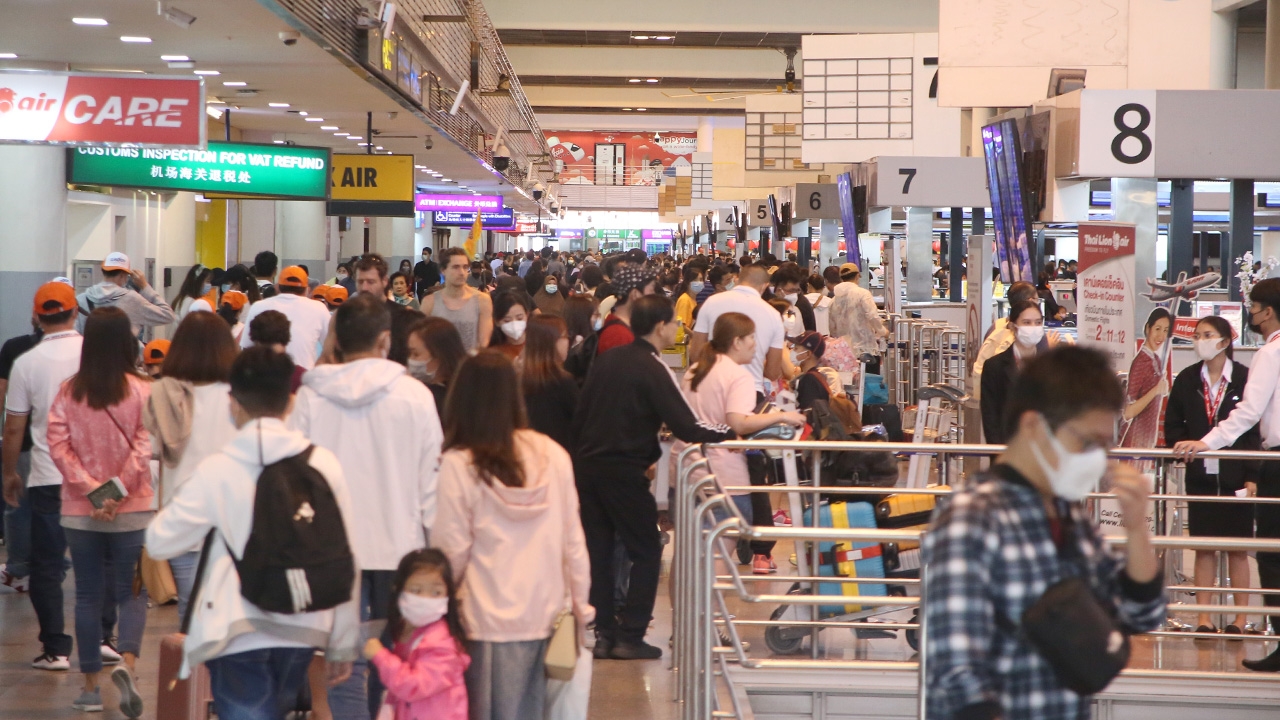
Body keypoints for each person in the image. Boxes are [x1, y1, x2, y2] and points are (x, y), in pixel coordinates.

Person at [924, 346, 1164, 719]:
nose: (1097, 460)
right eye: (1087, 442)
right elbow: (957, 674)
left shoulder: (1067, 514)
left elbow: (1139, 614)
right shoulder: (972, 517)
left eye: (1104, 446)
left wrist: (1136, 529)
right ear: (1034, 426)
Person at [145, 347, 359, 720]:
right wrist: (342, 643)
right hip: (305, 623)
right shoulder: (323, 463)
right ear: (290, 402)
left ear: (233, 402)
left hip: (236, 625)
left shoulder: (219, 469)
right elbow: (345, 555)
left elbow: (161, 540)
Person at [291, 294, 442, 718]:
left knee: (342, 660)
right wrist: (438, 549)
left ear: (336, 342)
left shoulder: (310, 398)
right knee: (396, 654)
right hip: (402, 547)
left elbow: (295, 480)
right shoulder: (415, 397)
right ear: (385, 339)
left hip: (332, 551)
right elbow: (431, 482)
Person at [573, 295, 736, 659]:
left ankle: (604, 635)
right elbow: (686, 425)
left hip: (588, 467)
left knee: (598, 552)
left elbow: (581, 411)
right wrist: (733, 431)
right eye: (675, 323)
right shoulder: (652, 365)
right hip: (624, 469)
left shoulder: (607, 359)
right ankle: (631, 636)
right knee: (646, 549)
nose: (679, 328)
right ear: (661, 326)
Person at [433, 351, 592, 718]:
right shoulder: (553, 455)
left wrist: (436, 609)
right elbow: (574, 543)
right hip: (548, 616)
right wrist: (582, 611)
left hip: (481, 621)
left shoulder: (459, 464)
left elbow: (450, 551)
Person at [45, 308, 152, 717]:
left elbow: (59, 447)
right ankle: (128, 664)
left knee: (87, 596)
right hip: (134, 507)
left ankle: (89, 689)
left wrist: (92, 493)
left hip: (79, 511)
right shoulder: (143, 390)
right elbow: (144, 446)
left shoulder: (69, 391)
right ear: (127, 341)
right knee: (133, 594)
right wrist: (117, 493)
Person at [1174, 278, 1280, 670]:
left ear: (1267, 312)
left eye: (1253, 308)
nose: (1251, 314)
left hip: (1269, 463)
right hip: (1231, 472)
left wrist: (1208, 441)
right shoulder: (1188, 380)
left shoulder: (1269, 354)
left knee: (1269, 556)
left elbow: (1250, 415)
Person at [676, 313, 806, 575]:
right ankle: (708, 613)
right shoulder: (738, 377)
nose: (755, 346)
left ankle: (690, 613)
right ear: (736, 342)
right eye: (751, 339)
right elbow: (739, 422)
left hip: (688, 470)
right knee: (720, 548)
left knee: (693, 551)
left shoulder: (694, 371)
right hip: (725, 477)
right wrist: (781, 416)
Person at [3, 282, 85, 672]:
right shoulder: (95, 355)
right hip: (95, 481)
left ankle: (56, 648)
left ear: (37, 316)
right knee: (99, 559)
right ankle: (105, 639)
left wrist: (7, 473)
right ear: (75, 313)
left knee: (47, 565)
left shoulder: (26, 364)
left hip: (48, 477)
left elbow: (14, 428)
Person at [1164, 316, 1260, 634]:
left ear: (1224, 340)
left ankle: (1239, 619)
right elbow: (1173, 423)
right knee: (1204, 547)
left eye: (1207, 334)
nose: (1199, 340)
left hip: (1236, 477)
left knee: (1237, 549)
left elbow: (1254, 429)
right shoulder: (1188, 379)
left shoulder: (1245, 378)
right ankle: (1204, 617)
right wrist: (1183, 444)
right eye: (1196, 335)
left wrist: (1252, 474)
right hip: (1200, 475)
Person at [142, 312, 239, 622]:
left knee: (189, 610)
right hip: (230, 519)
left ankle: (190, 669)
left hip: (182, 516)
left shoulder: (167, 394)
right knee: (227, 613)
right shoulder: (239, 397)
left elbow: (151, 448)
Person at [363, 549, 469, 720]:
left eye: (436, 592)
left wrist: (380, 656)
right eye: (416, 590)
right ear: (399, 590)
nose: (425, 599)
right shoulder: (411, 634)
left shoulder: (442, 645)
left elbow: (413, 686)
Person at [691, 264, 785, 397]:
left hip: (713, 388)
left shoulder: (711, 303)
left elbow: (695, 354)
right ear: (764, 285)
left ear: (737, 279)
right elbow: (773, 372)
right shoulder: (774, 315)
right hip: (751, 390)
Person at [0, 315, 42, 594]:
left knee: (17, 506)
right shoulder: (83, 349)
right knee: (57, 512)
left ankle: (18, 568)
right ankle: (51, 566)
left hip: (25, 443)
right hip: (66, 449)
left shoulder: (15, 349)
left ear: (34, 317)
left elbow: (2, 393)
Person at [980, 300, 1047, 446]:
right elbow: (990, 418)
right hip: (1009, 450)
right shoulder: (995, 367)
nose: (1033, 328)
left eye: (1037, 322)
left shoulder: (1052, 366)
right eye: (1026, 322)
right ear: (1013, 326)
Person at [238, 265, 331, 370]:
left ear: (277, 287)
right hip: (303, 378)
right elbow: (331, 347)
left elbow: (246, 346)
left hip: (265, 376)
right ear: (307, 290)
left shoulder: (258, 306)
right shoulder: (319, 308)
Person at [75, 252, 176, 337]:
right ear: (123, 275)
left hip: (90, 359)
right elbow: (168, 315)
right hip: (122, 359)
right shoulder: (132, 299)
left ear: (103, 272)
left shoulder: (81, 299)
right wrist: (145, 287)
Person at [521, 316, 578, 453]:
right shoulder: (562, 382)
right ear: (549, 342)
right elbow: (581, 421)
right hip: (559, 454)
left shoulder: (521, 378)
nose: (567, 341)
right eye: (564, 336)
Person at [423, 247, 494, 354]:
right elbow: (423, 341)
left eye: (465, 267)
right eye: (455, 267)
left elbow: (484, 342)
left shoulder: (482, 300)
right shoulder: (429, 302)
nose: (461, 272)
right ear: (443, 270)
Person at [1120, 308, 1172, 450]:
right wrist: (1156, 390)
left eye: (1165, 330)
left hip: (1148, 439)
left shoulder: (1155, 359)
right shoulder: (1141, 362)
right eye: (1157, 329)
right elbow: (1129, 412)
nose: (1161, 336)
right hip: (1136, 442)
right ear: (1148, 328)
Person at [353, 254, 418, 366]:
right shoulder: (348, 317)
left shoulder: (405, 317)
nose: (364, 288)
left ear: (384, 281)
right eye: (360, 282)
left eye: (370, 282)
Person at [827, 263, 888, 367]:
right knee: (869, 381)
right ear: (857, 276)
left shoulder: (833, 301)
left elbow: (832, 328)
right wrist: (883, 332)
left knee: (847, 382)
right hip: (865, 350)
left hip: (843, 354)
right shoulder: (863, 294)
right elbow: (872, 316)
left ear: (841, 278)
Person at [405, 317, 468, 415]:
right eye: (409, 353)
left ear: (438, 356)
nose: (410, 360)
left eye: (416, 354)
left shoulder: (427, 398)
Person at [595, 265, 658, 356]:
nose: (653, 295)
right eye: (651, 290)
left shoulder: (625, 328)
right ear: (635, 294)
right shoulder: (618, 335)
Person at [764, 262, 816, 333]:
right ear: (779, 289)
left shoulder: (801, 306)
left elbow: (809, 333)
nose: (794, 294)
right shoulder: (768, 305)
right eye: (791, 290)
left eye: (797, 290)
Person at [488, 289, 531, 364]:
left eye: (519, 318)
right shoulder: (493, 354)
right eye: (507, 320)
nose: (514, 324)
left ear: (527, 315)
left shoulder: (538, 345)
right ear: (497, 321)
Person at [674, 265, 704, 330]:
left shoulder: (693, 299)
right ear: (688, 282)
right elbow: (681, 324)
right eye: (695, 280)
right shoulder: (684, 300)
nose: (699, 282)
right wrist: (692, 335)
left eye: (701, 279)